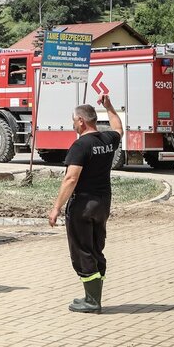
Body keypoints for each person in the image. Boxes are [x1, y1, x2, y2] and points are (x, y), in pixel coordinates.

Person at [48, 93, 122, 314]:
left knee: (82, 251)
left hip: (83, 205)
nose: (73, 124)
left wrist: (56, 207)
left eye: (74, 120)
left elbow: (71, 178)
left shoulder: (81, 145)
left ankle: (92, 300)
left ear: (81, 120)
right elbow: (119, 129)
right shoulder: (108, 139)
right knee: (96, 248)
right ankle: (94, 296)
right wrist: (109, 107)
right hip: (103, 203)